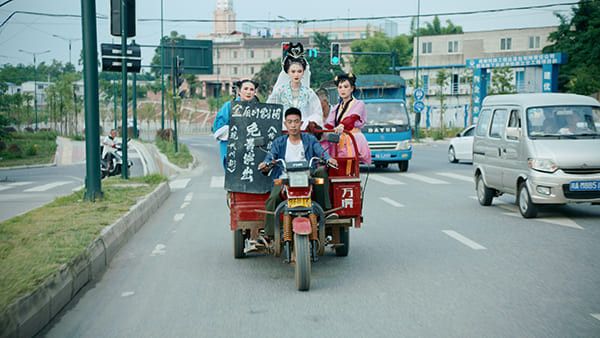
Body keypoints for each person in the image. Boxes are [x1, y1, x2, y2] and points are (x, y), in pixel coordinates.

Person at [257, 107, 338, 245]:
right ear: (285, 124)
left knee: (321, 172)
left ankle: (324, 212)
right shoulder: (279, 142)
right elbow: (270, 157)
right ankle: (270, 234)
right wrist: (265, 164)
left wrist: (328, 158)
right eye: (290, 122)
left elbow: (320, 151)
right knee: (273, 198)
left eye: (296, 121)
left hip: (307, 177)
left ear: (301, 123)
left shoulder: (309, 139)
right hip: (285, 178)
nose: (293, 125)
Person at [267, 42, 323, 132]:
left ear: (303, 72)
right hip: (283, 132)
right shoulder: (279, 92)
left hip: (303, 132)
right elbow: (269, 111)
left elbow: (317, 113)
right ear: (287, 72)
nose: (296, 74)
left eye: (299, 71)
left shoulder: (309, 93)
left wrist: (309, 123)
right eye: (293, 71)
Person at [324, 73, 372, 164]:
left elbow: (352, 118)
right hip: (339, 140)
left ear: (352, 88)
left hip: (352, 138)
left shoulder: (358, 104)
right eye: (340, 87)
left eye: (346, 87)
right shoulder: (337, 107)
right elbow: (329, 124)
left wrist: (342, 125)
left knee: (350, 167)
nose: (342, 90)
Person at [212, 79, 260, 169]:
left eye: (251, 89)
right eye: (245, 89)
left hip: (252, 151)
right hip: (232, 149)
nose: (248, 92)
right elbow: (218, 129)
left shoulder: (260, 108)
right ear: (239, 92)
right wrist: (239, 131)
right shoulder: (229, 106)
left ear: (255, 92)